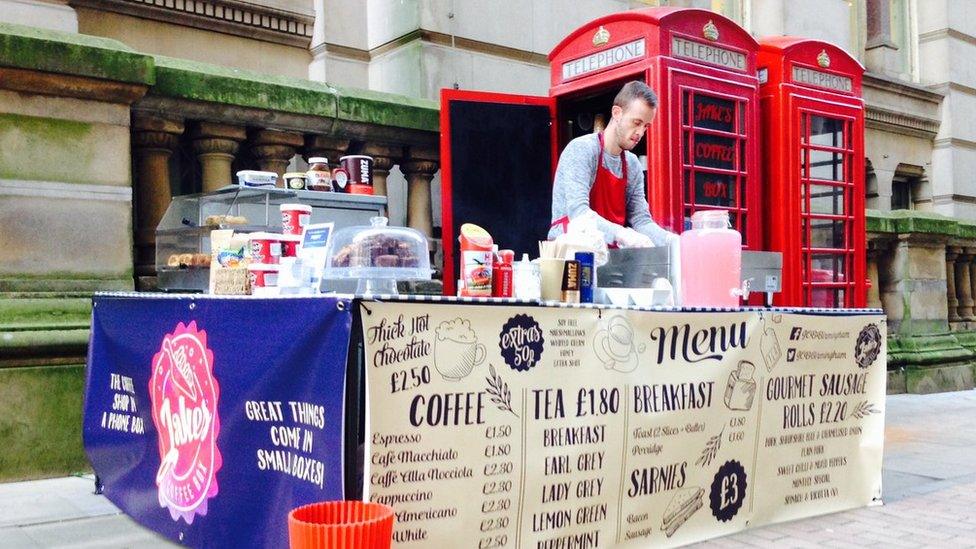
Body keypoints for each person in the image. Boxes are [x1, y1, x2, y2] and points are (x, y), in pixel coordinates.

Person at [549, 81, 676, 248]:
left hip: (610, 258)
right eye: (636, 123)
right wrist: (622, 233)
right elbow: (579, 214)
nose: (640, 132)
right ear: (617, 113)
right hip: (570, 257)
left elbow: (641, 220)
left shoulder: (632, 164)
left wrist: (673, 241)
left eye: (646, 126)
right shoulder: (582, 149)